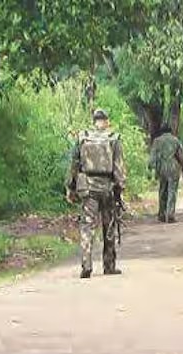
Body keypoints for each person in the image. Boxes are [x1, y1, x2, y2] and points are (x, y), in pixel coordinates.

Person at [66, 108, 126, 279]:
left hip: (88, 188)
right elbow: (119, 167)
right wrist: (120, 188)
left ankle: (86, 265)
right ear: (106, 121)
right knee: (109, 226)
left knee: (87, 226)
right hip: (107, 188)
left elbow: (74, 164)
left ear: (93, 121)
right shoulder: (113, 138)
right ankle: (109, 265)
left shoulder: (83, 138)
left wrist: (70, 187)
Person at [148, 126, 183, 223]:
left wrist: (151, 170)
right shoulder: (175, 140)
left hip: (161, 168)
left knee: (162, 191)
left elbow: (152, 158)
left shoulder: (157, 141)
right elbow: (182, 156)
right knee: (172, 191)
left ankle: (161, 214)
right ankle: (170, 214)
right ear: (170, 132)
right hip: (173, 168)